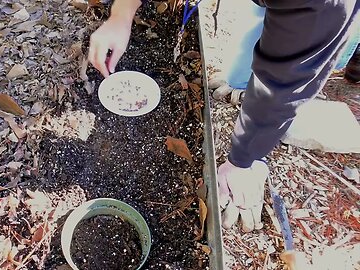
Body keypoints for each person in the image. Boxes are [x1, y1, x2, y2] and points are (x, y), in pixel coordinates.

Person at [88, 0, 359, 232]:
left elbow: (286, 81)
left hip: (317, 16)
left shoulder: (317, 7)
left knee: (288, 63)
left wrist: (244, 160)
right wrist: (122, 14)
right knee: (255, 30)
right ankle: (242, 84)